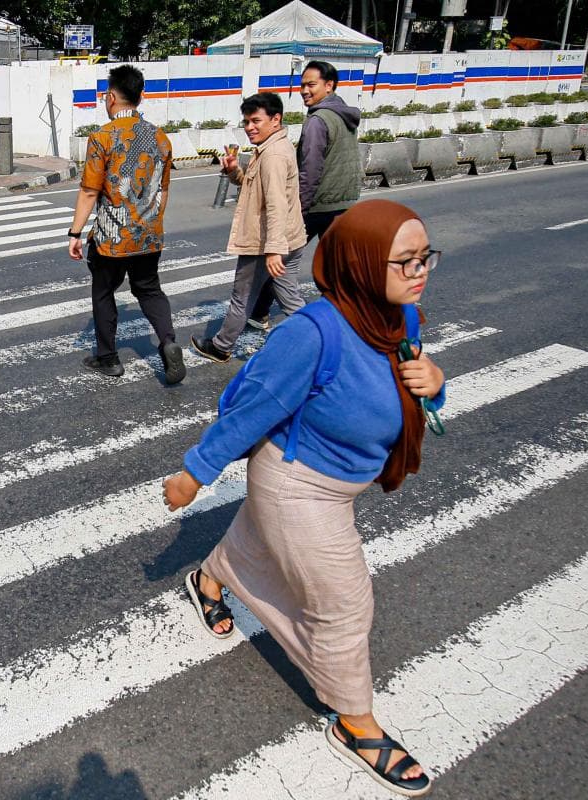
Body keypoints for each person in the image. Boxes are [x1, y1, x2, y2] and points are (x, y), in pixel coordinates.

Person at [163, 199, 446, 798]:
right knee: (344, 603)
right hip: (296, 485)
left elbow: (404, 390)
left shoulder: (400, 320)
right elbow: (254, 406)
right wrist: (195, 472)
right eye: (405, 261)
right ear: (362, 264)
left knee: (259, 544)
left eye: (426, 258)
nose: (420, 271)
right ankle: (355, 722)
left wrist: (435, 384)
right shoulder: (313, 334)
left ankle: (209, 581)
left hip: (340, 483)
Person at [66, 64, 186, 385]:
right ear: (140, 96)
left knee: (104, 291)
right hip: (148, 234)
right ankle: (168, 341)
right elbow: (163, 190)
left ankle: (109, 359)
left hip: (111, 237)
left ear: (110, 97)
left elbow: (90, 190)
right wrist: (151, 224)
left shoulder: (102, 138)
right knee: (149, 290)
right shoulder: (160, 138)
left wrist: (75, 232)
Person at [247, 60, 362, 331]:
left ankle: (264, 313)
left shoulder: (318, 121)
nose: (304, 91)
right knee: (334, 266)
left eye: (311, 85)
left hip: (317, 204)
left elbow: (310, 169)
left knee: (277, 255)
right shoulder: (343, 114)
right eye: (302, 85)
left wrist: (297, 208)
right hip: (343, 202)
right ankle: (342, 314)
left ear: (329, 85)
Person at [191, 93, 306, 363]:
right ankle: (319, 339)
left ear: (275, 120)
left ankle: (221, 346)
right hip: (290, 238)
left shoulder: (273, 155)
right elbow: (255, 189)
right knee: (290, 298)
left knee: (242, 297)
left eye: (256, 121)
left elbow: (276, 204)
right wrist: (234, 171)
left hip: (265, 242)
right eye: (246, 122)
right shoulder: (273, 147)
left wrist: (274, 250)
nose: (250, 127)